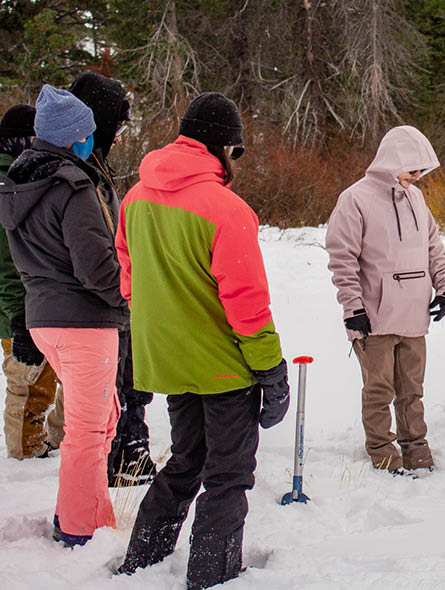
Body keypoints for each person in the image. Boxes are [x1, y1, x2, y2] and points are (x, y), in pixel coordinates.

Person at [115, 92, 288, 590]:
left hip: (168, 362)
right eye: (238, 152)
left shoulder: (135, 198)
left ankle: (141, 562)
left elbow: (129, 279)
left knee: (186, 461)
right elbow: (248, 307)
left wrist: (162, 324)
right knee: (228, 475)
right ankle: (213, 575)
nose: (238, 163)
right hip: (223, 366)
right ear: (223, 148)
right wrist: (272, 371)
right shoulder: (226, 208)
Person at [0, 86, 127, 546]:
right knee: (89, 433)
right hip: (83, 321)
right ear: (75, 137)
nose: (94, 139)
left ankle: (86, 511)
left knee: (100, 420)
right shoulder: (71, 186)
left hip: (45, 317)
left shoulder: (22, 183)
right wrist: (127, 297)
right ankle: (79, 528)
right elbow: (96, 265)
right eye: (89, 133)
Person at [325, 125, 445, 473]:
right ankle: (383, 452)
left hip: (414, 315)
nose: (417, 176)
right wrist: (353, 309)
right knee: (379, 390)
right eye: (413, 168)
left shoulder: (417, 199)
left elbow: (434, 249)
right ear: (393, 160)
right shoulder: (355, 199)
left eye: (421, 170)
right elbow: (342, 257)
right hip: (374, 316)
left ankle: (417, 448)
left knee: (412, 390)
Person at [70, 70, 157, 486]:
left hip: (113, 296)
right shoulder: (78, 173)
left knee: (130, 376)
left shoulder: (94, 165)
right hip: (99, 302)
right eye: (116, 126)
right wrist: (123, 291)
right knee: (116, 384)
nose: (121, 135)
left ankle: (129, 452)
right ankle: (122, 457)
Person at [0, 104, 62, 459]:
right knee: (29, 380)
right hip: (16, 305)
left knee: (42, 377)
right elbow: (6, 265)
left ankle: (35, 441)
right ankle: (24, 450)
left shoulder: (21, 178)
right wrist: (18, 317)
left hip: (29, 301)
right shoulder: (10, 183)